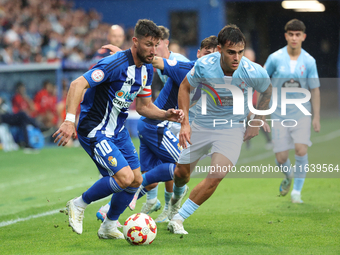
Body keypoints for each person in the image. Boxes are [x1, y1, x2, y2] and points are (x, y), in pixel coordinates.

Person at [52, 19, 183, 239]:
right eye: (148, 44)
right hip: (94, 129)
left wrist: (166, 114)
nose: (153, 50)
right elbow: (77, 85)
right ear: (135, 41)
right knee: (123, 178)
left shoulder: (147, 71)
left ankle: (109, 226)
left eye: (155, 45)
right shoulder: (114, 64)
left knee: (136, 180)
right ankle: (78, 204)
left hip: (118, 131)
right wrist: (68, 120)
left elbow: (143, 107)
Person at [167, 24, 273, 234]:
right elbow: (185, 87)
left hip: (231, 128)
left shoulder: (252, 70)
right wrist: (185, 123)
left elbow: (268, 91)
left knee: (216, 175)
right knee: (181, 174)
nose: (237, 57)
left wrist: (256, 121)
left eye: (240, 52)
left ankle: (178, 219)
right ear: (220, 50)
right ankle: (175, 200)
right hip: (202, 123)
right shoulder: (205, 64)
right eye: (231, 52)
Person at [264, 19, 320, 203]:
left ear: (303, 37)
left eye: (298, 35)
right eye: (291, 34)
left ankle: (297, 192)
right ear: (286, 35)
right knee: (281, 158)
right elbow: (263, 81)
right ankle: (288, 177)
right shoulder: (275, 58)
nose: (294, 38)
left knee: (300, 149)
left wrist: (316, 116)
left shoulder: (309, 61)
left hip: (302, 113)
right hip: (279, 114)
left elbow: (314, 89)